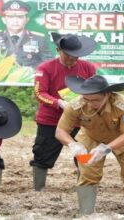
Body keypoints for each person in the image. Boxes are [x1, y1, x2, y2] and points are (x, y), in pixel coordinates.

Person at [55, 75, 124, 216]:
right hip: (91, 137)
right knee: (87, 173)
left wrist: (107, 148)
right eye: (87, 99)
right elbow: (60, 131)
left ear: (108, 94)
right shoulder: (76, 105)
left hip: (123, 139)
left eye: (96, 100)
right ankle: (86, 214)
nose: (91, 104)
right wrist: (73, 145)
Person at [30, 32, 97, 191]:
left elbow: (95, 90)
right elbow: (40, 93)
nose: (73, 59)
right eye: (68, 55)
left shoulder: (88, 68)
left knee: (84, 151)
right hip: (51, 120)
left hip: (80, 120)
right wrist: (58, 102)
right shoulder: (45, 68)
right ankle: (38, 189)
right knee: (42, 154)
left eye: (76, 56)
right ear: (58, 50)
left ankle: (84, 185)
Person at [0, 0, 53, 68]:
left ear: (27, 20)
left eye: (20, 17)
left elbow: (49, 64)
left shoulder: (39, 39)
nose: (15, 21)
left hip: (29, 78)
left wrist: (31, 70)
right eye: (10, 17)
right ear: (4, 20)